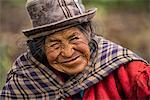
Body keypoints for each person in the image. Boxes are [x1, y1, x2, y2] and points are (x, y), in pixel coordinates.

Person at [0, 0, 150, 99]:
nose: (68, 52)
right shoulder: (24, 81)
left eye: (74, 38)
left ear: (88, 35)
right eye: (54, 44)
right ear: (41, 50)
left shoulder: (128, 71)